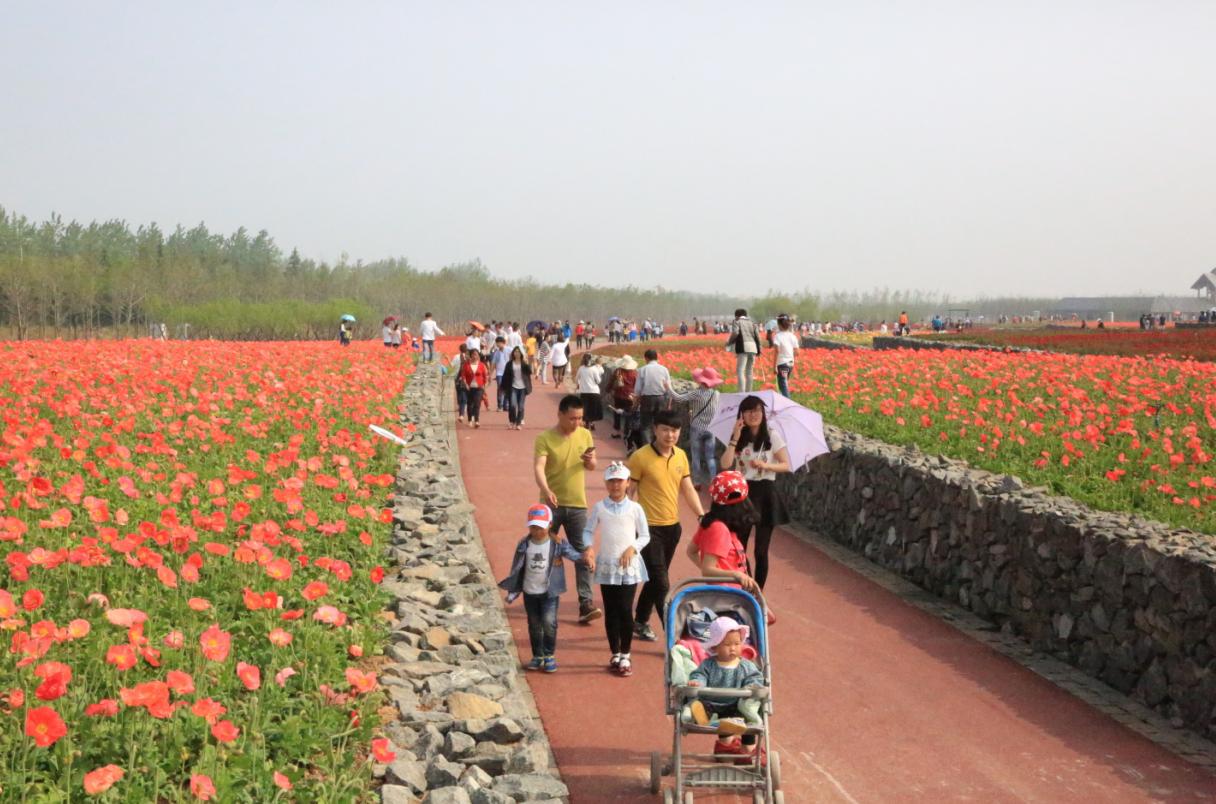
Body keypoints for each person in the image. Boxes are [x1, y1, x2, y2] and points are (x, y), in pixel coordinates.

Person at [629, 409, 705, 642]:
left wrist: (702, 515)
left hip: (673, 528)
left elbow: (688, 488)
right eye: (665, 429)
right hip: (647, 529)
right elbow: (628, 492)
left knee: (655, 579)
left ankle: (640, 621)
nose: (670, 435)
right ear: (655, 430)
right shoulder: (640, 457)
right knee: (662, 583)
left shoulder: (681, 455)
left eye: (674, 430)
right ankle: (675, 639)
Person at [498, 504, 595, 673]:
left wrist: (585, 558)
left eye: (541, 527)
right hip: (530, 592)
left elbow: (573, 555)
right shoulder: (524, 544)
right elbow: (516, 567)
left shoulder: (557, 544)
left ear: (550, 524)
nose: (537, 531)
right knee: (534, 624)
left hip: (549, 593)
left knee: (549, 623)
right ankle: (538, 655)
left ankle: (549, 655)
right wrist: (514, 588)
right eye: (533, 527)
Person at [533, 395, 602, 623]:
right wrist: (546, 489)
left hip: (577, 504)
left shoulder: (585, 434)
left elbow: (592, 466)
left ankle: (586, 603)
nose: (577, 423)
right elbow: (539, 467)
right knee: (545, 552)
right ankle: (542, 597)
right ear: (560, 415)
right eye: (572, 418)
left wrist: (590, 459)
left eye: (580, 418)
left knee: (583, 552)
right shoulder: (545, 438)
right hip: (550, 505)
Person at [719, 396, 790, 612]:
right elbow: (725, 464)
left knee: (761, 551)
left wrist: (766, 465)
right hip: (743, 493)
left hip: (766, 492)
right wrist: (735, 437)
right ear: (742, 415)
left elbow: (786, 464)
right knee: (739, 547)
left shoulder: (773, 437)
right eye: (749, 411)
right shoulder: (738, 438)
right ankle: (748, 588)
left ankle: (759, 594)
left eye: (758, 410)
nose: (754, 414)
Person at [582, 462, 650, 676]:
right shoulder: (599, 508)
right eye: (611, 481)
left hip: (628, 568)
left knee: (624, 610)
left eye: (620, 481)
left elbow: (645, 535)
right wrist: (588, 548)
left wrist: (633, 548)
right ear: (606, 483)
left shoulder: (635, 508)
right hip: (607, 566)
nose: (615, 485)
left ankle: (626, 653)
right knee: (610, 611)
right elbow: (588, 531)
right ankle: (615, 652)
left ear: (628, 483)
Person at [684, 616, 765, 761]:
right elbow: (699, 674)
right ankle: (720, 739)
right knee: (700, 705)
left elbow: (755, 678)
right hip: (712, 704)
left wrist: (752, 686)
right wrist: (697, 682)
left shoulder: (746, 666)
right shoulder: (708, 664)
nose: (733, 648)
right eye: (727, 644)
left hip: (736, 705)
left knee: (746, 717)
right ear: (715, 646)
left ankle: (747, 749)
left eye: (737, 643)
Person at [667, 366, 724, 488]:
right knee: (710, 457)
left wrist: (668, 387)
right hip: (711, 428)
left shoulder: (696, 393)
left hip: (697, 428)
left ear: (701, 380)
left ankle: (697, 482)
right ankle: (714, 482)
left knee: (696, 456)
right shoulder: (717, 394)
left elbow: (678, 398)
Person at [634, 349, 671, 447]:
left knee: (645, 425)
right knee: (659, 423)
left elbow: (637, 389)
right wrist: (669, 403)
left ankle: (647, 447)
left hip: (647, 399)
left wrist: (636, 402)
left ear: (646, 358)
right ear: (656, 358)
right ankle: (658, 445)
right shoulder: (664, 369)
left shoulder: (642, 369)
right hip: (661, 398)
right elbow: (668, 387)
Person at [726, 309, 762, 392]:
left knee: (740, 370)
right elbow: (758, 337)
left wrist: (729, 342)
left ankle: (741, 392)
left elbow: (735, 333)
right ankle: (749, 391)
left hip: (743, 347)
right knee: (749, 371)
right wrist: (759, 349)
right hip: (753, 348)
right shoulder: (752, 323)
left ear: (737, 316)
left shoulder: (737, 322)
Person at [609, 355, 639, 445]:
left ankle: (617, 432)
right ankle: (626, 433)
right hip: (629, 396)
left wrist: (607, 390)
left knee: (617, 413)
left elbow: (611, 382)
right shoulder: (635, 373)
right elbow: (637, 386)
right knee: (628, 415)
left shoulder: (618, 371)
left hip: (618, 395)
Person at [501, 346, 533, 430]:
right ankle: (512, 421)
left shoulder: (524, 363)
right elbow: (505, 376)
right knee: (512, 405)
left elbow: (530, 372)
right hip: (513, 387)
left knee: (521, 406)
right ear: (513, 353)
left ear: (521, 353)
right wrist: (503, 388)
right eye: (515, 351)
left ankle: (518, 423)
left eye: (518, 351)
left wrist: (526, 362)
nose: (517, 353)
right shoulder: (509, 364)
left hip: (523, 387)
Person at [771, 315, 800, 398]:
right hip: (790, 363)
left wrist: (774, 367)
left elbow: (777, 351)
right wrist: (789, 356)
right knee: (784, 383)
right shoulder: (792, 336)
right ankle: (785, 402)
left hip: (782, 364)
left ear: (779, 325)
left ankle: (788, 404)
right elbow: (797, 352)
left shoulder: (778, 336)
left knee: (783, 385)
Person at [459, 349, 489, 428]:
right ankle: (469, 420)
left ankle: (476, 420)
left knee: (477, 404)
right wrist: (466, 384)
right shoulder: (466, 365)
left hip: (479, 387)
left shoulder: (482, 365)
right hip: (469, 387)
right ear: (471, 355)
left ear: (478, 355)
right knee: (470, 404)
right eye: (473, 354)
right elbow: (463, 376)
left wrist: (484, 386)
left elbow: (485, 376)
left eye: (476, 354)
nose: (475, 356)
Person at [575, 353, 605, 431]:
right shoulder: (594, 369)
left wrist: (579, 384)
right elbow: (598, 381)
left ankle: (587, 422)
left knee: (585, 408)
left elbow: (576, 379)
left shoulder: (581, 368)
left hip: (584, 391)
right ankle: (592, 423)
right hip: (594, 392)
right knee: (593, 409)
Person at [490, 336, 510, 412]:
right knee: (500, 389)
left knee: (507, 389)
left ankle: (506, 405)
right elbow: (493, 363)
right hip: (499, 373)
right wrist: (490, 373)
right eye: (497, 343)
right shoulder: (496, 353)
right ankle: (500, 406)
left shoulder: (509, 350)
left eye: (499, 343)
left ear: (503, 343)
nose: (498, 344)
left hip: (508, 373)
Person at [450, 344, 469, 423]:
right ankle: (463, 408)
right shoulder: (468, 357)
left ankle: (461, 408)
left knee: (459, 393)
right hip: (466, 379)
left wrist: (448, 359)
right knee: (464, 395)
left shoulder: (456, 357)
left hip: (457, 378)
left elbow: (451, 366)